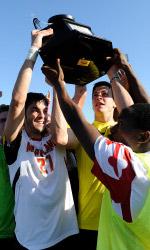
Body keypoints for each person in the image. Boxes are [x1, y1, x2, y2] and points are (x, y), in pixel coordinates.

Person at [41, 58, 150, 250]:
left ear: (115, 102)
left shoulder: (125, 131)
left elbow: (132, 110)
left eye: (105, 94)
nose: (99, 97)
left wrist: (60, 86)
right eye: (95, 94)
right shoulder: (89, 130)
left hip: (122, 225)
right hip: (89, 222)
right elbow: (59, 136)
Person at [3, 29, 79, 250]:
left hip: (66, 232)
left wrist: (57, 84)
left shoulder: (55, 135)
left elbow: (61, 128)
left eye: (44, 110)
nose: (41, 114)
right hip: (30, 240)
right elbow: (17, 101)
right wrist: (35, 48)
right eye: (34, 110)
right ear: (23, 115)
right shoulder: (15, 141)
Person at [0, 104, 15, 249]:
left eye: (8, 120)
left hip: (20, 229)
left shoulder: (23, 148)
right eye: (2, 120)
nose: (6, 124)